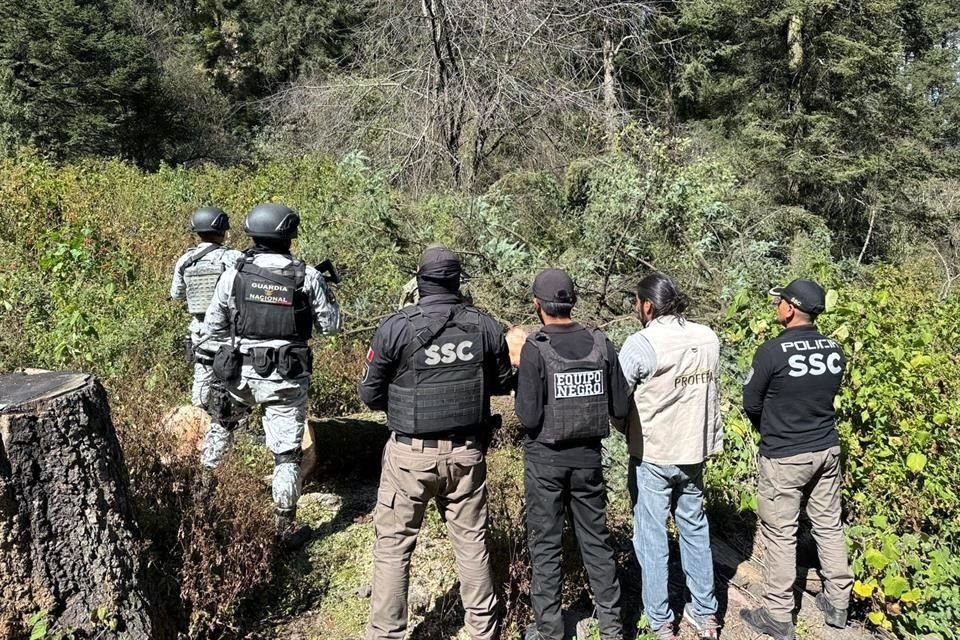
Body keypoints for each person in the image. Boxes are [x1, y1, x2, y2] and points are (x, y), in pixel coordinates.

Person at [359, 246, 514, 640]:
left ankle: (387, 634)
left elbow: (370, 394)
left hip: (410, 456)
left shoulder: (395, 327)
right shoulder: (485, 325)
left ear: (419, 281)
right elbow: (502, 383)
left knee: (394, 547)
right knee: (472, 542)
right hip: (466, 454)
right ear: (458, 281)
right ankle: (483, 630)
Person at [198, 203, 342, 548]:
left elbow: (213, 325)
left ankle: (200, 500)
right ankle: (284, 528)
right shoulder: (307, 276)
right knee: (286, 455)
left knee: (221, 428)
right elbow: (331, 326)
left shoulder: (234, 273)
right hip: (284, 378)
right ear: (289, 235)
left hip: (239, 375)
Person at [515, 268, 630, 640]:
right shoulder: (601, 343)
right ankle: (612, 628)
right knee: (597, 543)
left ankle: (549, 630)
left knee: (545, 546)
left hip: (545, 463)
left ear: (537, 305)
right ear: (572, 302)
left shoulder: (536, 347)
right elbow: (621, 406)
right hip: (588, 462)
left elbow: (528, 416)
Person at [740, 279, 852, 640]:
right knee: (829, 525)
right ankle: (839, 602)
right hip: (827, 450)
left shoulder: (771, 352)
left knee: (781, 533)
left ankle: (777, 615)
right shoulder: (834, 350)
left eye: (780, 302)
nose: (777, 307)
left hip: (785, 456)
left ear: (790, 308)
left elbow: (751, 403)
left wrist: (772, 429)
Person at [616, 273, 722, 640]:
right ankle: (705, 612)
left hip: (654, 452)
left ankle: (660, 619)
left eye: (637, 301)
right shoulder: (708, 336)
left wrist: (623, 428)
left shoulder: (641, 343)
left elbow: (619, 397)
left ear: (647, 305)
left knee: (652, 537)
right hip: (694, 450)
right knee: (695, 529)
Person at [169, 206, 243, 422]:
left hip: (201, 332)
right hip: (230, 332)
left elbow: (177, 294)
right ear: (223, 230)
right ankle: (230, 423)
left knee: (202, 378)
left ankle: (198, 423)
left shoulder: (185, 260)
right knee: (233, 380)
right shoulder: (234, 257)